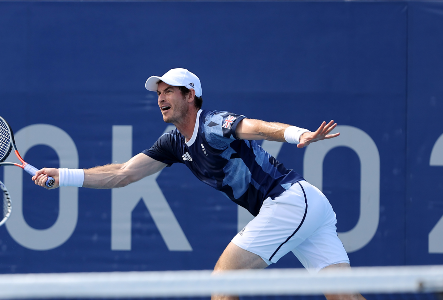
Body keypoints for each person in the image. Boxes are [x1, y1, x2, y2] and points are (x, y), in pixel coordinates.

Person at [32, 68, 365, 300]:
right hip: (308, 205)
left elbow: (259, 127)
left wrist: (298, 135)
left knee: (223, 278)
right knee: (343, 295)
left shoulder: (213, 124)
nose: (160, 98)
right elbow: (123, 174)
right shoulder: (173, 143)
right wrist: (63, 177)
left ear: (190, 96)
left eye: (168, 92)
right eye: (158, 93)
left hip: (289, 202)